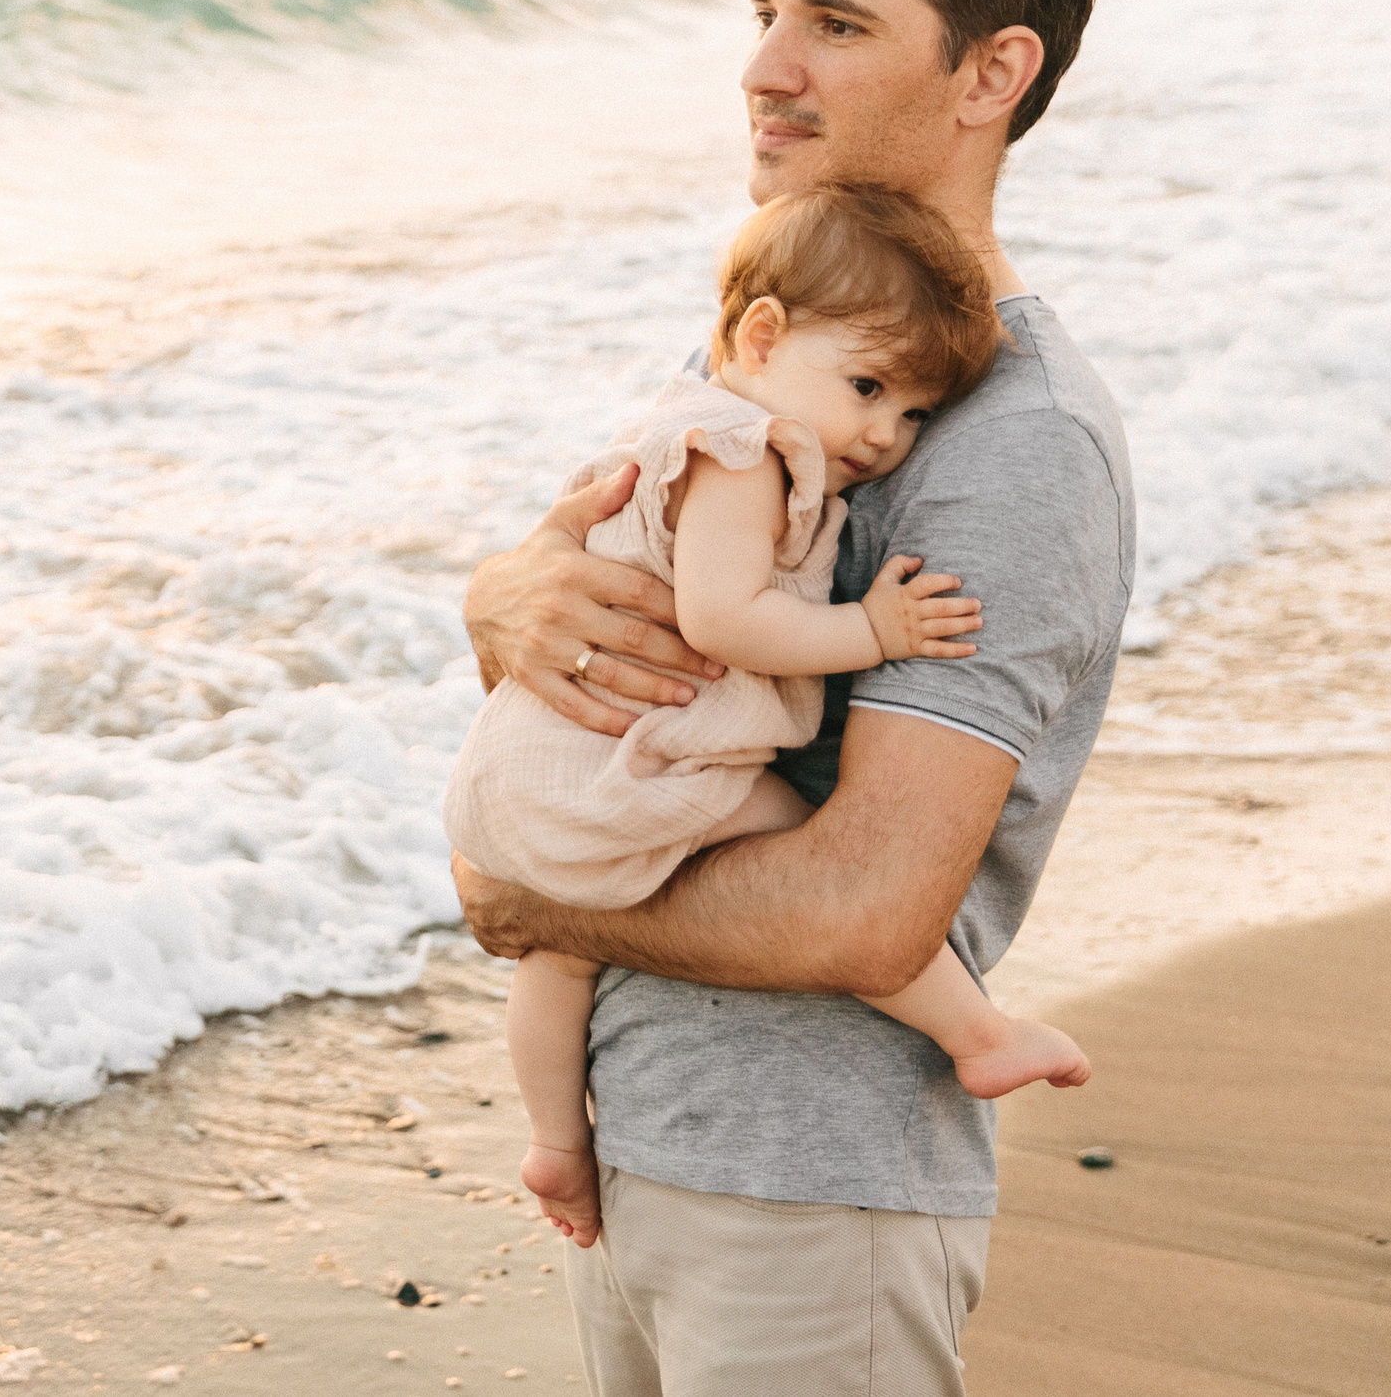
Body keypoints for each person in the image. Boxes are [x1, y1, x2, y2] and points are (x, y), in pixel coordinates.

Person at [453, 0, 1134, 1396]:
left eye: (835, 23)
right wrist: (499, 601)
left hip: (812, 1184)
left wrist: (535, 901)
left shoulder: (1014, 443)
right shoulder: (796, 345)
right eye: (766, 13)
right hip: (646, 1151)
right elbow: (625, 645)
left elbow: (867, 910)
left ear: (991, 71)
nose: (762, 69)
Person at [444, 184, 1090, 1252]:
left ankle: (556, 1138)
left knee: (557, 955)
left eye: (915, 412)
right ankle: (976, 1031)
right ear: (758, 335)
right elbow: (724, 617)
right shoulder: (739, 449)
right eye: (869, 386)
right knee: (800, 838)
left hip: (545, 768)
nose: (886, 433)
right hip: (630, 760)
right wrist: (873, 630)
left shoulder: (695, 420)